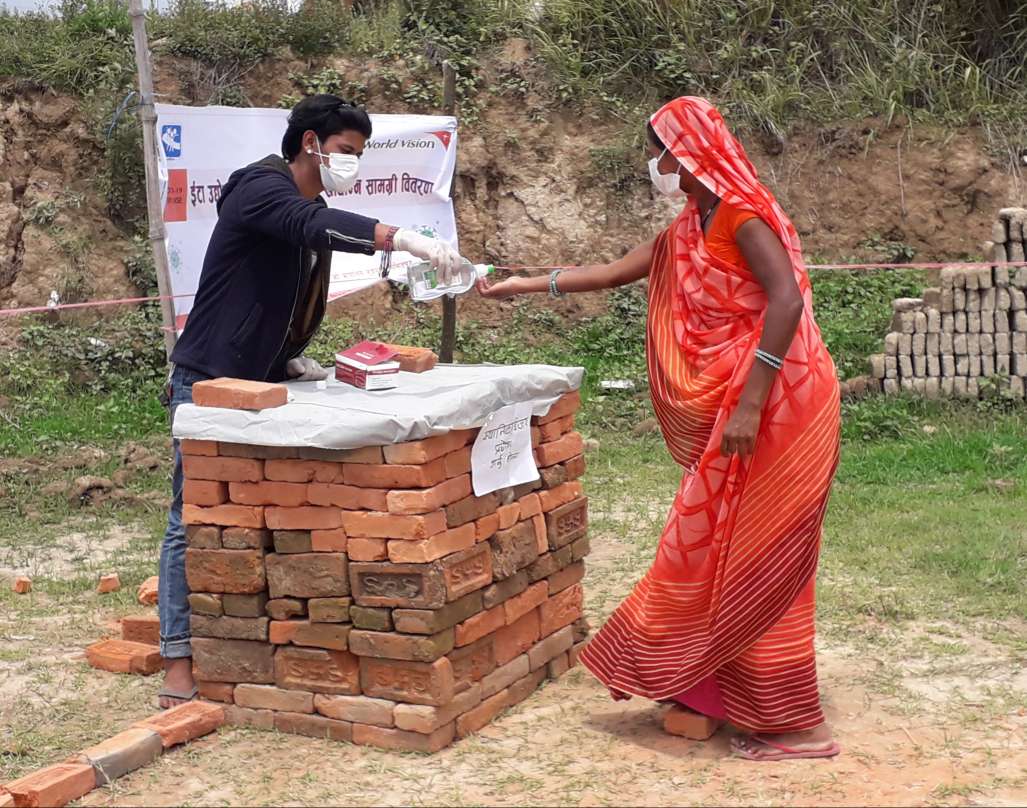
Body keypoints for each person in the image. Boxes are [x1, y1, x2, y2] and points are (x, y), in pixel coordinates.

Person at [477, 96, 842, 761]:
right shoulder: (688, 226)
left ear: (687, 152)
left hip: (780, 397)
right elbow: (615, 271)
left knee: (758, 546)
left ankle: (793, 724)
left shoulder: (741, 214)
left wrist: (751, 402)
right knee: (713, 544)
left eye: (657, 151)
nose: (653, 163)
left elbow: (786, 299)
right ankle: (712, 688)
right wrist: (526, 284)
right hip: (747, 398)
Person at [157, 94, 461, 708]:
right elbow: (307, 228)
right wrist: (399, 238)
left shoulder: (309, 204)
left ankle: (253, 643)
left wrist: (288, 352)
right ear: (310, 144)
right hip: (212, 377)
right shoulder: (259, 189)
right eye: (346, 151)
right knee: (191, 520)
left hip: (267, 382)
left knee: (259, 514)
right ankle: (179, 659)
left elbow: (296, 279)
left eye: (358, 154)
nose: (352, 163)